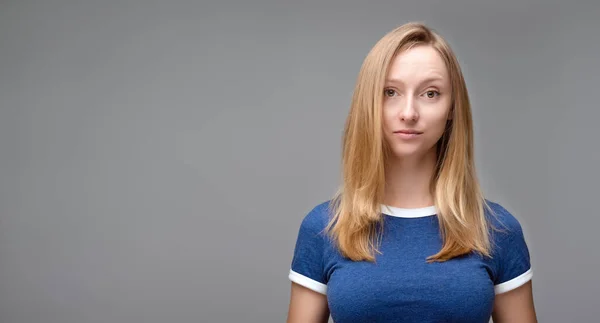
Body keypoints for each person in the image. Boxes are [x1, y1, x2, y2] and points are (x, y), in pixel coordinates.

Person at [285, 22, 537, 323]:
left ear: (452, 107)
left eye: (430, 93)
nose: (408, 112)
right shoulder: (324, 228)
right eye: (390, 92)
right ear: (369, 103)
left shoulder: (497, 230)